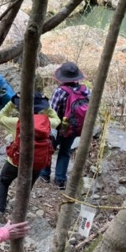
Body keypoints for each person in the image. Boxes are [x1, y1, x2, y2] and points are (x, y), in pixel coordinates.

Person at [0, 80, 60, 222]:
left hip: (15, 161)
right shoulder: (48, 123)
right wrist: (47, 106)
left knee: (3, 181)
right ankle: (18, 214)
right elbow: (58, 119)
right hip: (37, 162)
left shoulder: (17, 122)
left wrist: (13, 102)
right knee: (26, 187)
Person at [39, 62, 91, 190]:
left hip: (58, 128)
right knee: (65, 152)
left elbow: (53, 111)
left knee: (48, 149)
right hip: (74, 128)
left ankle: (45, 174)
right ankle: (60, 180)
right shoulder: (85, 91)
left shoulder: (60, 92)